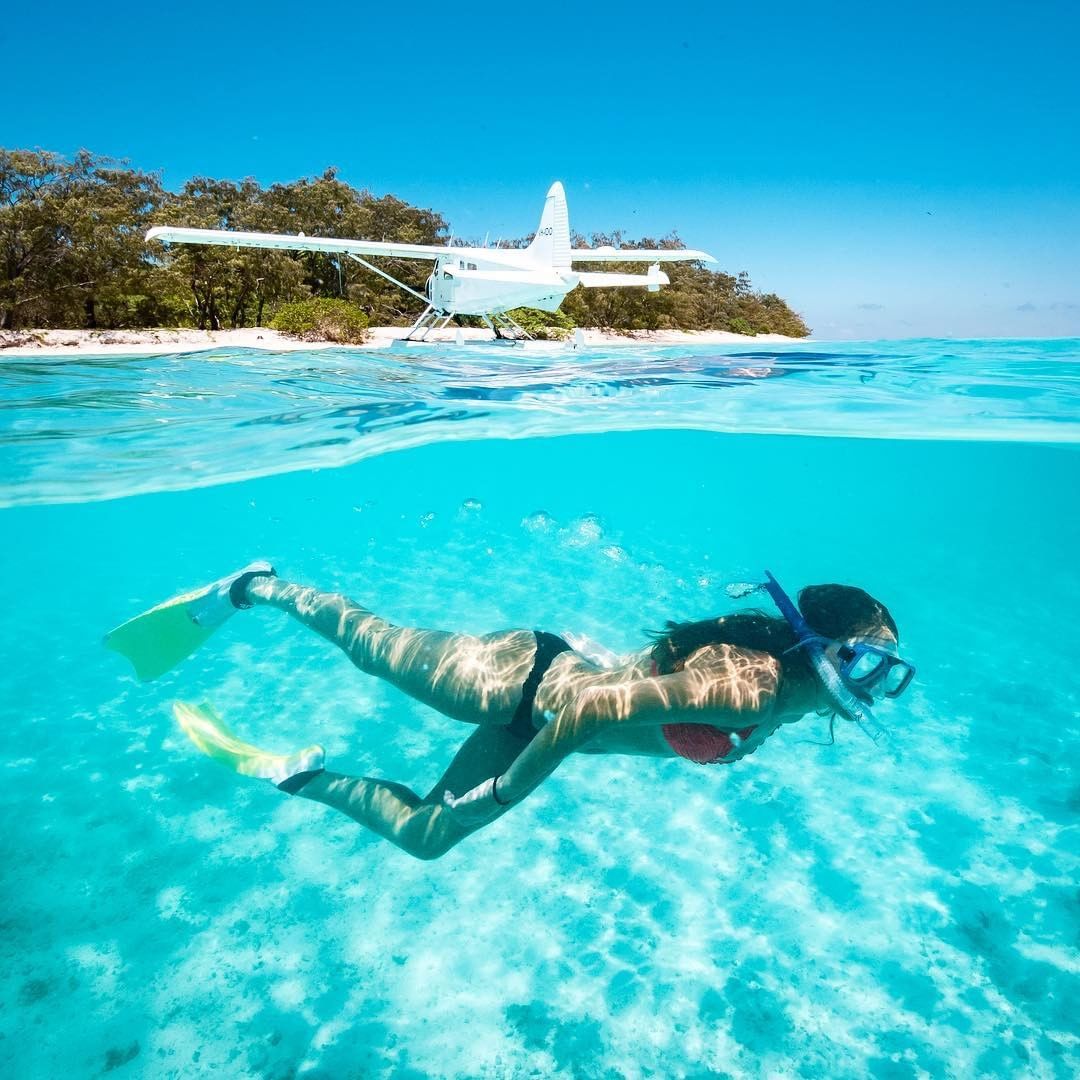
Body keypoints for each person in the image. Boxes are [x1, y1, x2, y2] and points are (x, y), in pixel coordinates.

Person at [106, 565, 914, 860]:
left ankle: (298, 774)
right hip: (515, 683)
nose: (873, 687)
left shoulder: (794, 700)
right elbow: (594, 709)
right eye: (870, 662)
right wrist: (504, 795)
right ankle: (253, 589)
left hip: (534, 723)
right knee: (371, 647)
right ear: (823, 648)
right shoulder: (749, 688)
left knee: (425, 839)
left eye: (886, 671)